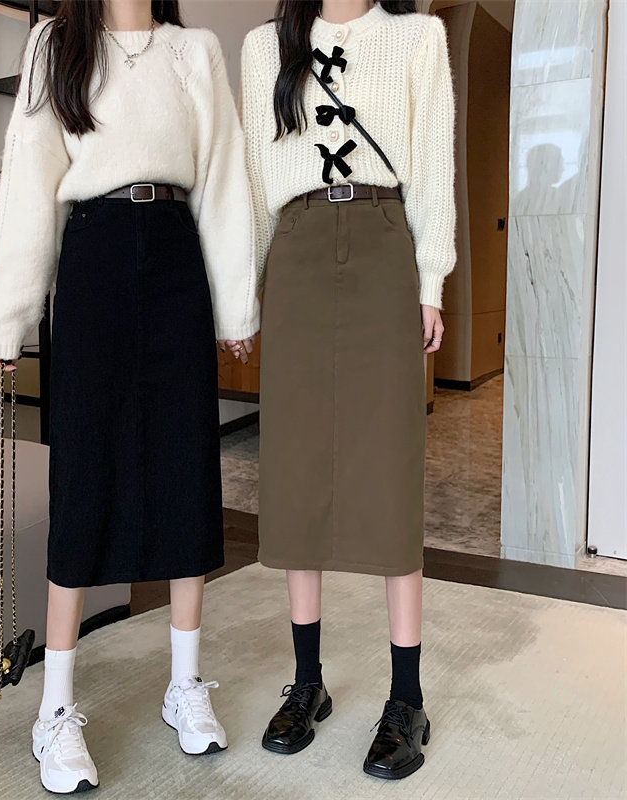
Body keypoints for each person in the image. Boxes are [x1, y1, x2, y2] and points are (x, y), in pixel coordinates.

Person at [0, 0, 258, 793]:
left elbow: (224, 178)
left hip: (175, 259)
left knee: (185, 470)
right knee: (84, 477)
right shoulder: (56, 45)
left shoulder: (194, 50)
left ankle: (185, 686)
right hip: (93, 259)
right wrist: (8, 316)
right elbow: (30, 180)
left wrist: (236, 305)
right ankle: (55, 712)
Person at [240, 0, 455, 780]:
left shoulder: (417, 37)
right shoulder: (265, 47)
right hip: (296, 253)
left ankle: (407, 698)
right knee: (298, 472)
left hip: (383, 244)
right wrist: (241, 295)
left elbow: (433, 165)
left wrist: (431, 282)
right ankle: (308, 682)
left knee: (389, 471)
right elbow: (255, 181)